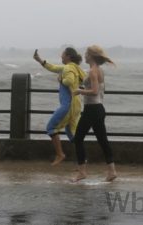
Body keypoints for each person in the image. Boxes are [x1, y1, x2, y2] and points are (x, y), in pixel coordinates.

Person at [33, 48, 86, 165]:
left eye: (62, 55)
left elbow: (69, 81)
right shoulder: (75, 68)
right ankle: (83, 160)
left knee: (51, 128)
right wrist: (39, 60)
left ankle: (60, 154)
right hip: (76, 105)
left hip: (68, 106)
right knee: (72, 134)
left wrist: (61, 79)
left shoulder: (68, 68)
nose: (61, 57)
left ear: (68, 56)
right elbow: (53, 67)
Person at [72, 45, 117, 182]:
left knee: (78, 139)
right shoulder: (99, 70)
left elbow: (95, 91)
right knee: (103, 140)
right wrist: (83, 88)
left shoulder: (92, 71)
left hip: (92, 109)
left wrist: (79, 91)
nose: (84, 56)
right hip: (99, 109)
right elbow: (94, 89)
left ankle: (82, 172)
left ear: (91, 56)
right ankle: (112, 171)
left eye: (86, 54)